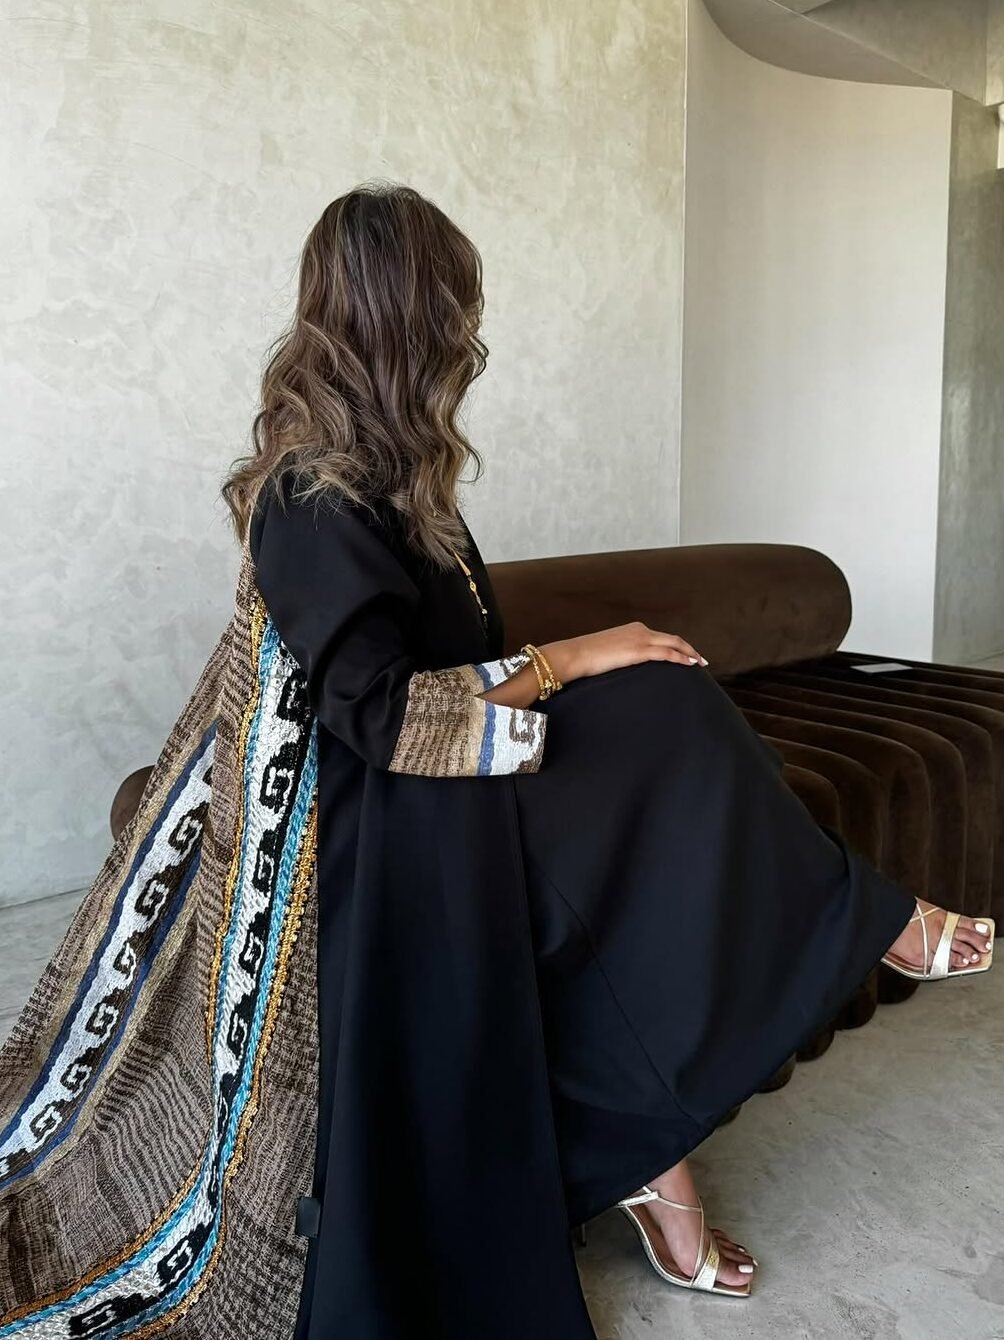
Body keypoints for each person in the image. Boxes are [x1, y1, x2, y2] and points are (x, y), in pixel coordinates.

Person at [0, 183, 994, 1340]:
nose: (470, 338)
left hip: (435, 774)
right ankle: (854, 929)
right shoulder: (310, 497)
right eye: (455, 310)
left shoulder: (394, 476)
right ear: (404, 321)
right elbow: (374, 718)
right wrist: (574, 655)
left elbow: (452, 660)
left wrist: (583, 663)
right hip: (357, 819)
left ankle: (681, 1132)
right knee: (659, 724)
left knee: (660, 735)